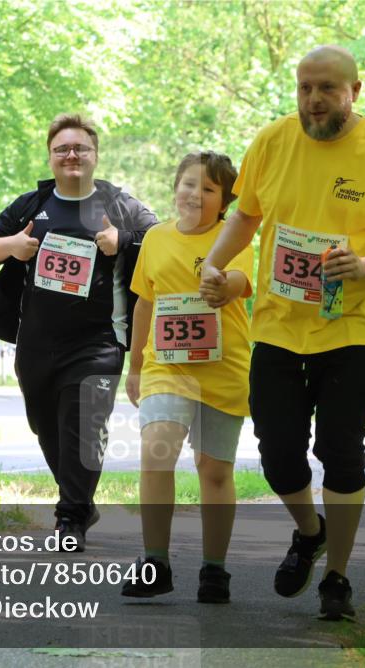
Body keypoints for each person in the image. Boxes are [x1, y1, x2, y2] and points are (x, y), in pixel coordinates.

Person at [201, 45, 365, 621]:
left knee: (340, 450)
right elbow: (247, 215)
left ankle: (338, 577)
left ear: (355, 90)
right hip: (280, 325)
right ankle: (310, 532)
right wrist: (212, 263)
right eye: (305, 87)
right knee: (279, 455)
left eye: (327, 88)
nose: (314, 99)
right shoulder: (273, 141)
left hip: (353, 327)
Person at [0, 114, 157, 550]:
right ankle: (82, 501)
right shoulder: (32, 206)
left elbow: (162, 239)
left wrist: (121, 240)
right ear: (51, 157)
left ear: (94, 155)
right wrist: (10, 246)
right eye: (62, 149)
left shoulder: (118, 205)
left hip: (98, 343)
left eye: (80, 148)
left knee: (83, 430)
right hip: (37, 343)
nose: (71, 155)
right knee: (46, 427)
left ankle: (70, 518)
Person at [119, 152, 253, 604]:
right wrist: (135, 366)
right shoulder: (155, 239)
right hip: (166, 367)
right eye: (188, 184)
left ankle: (214, 570)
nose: (194, 194)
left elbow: (239, 280)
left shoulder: (235, 236)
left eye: (208, 189)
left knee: (213, 469)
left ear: (224, 201)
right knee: (156, 451)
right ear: (175, 187)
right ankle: (155, 562)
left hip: (223, 369)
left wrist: (222, 284)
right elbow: (143, 304)